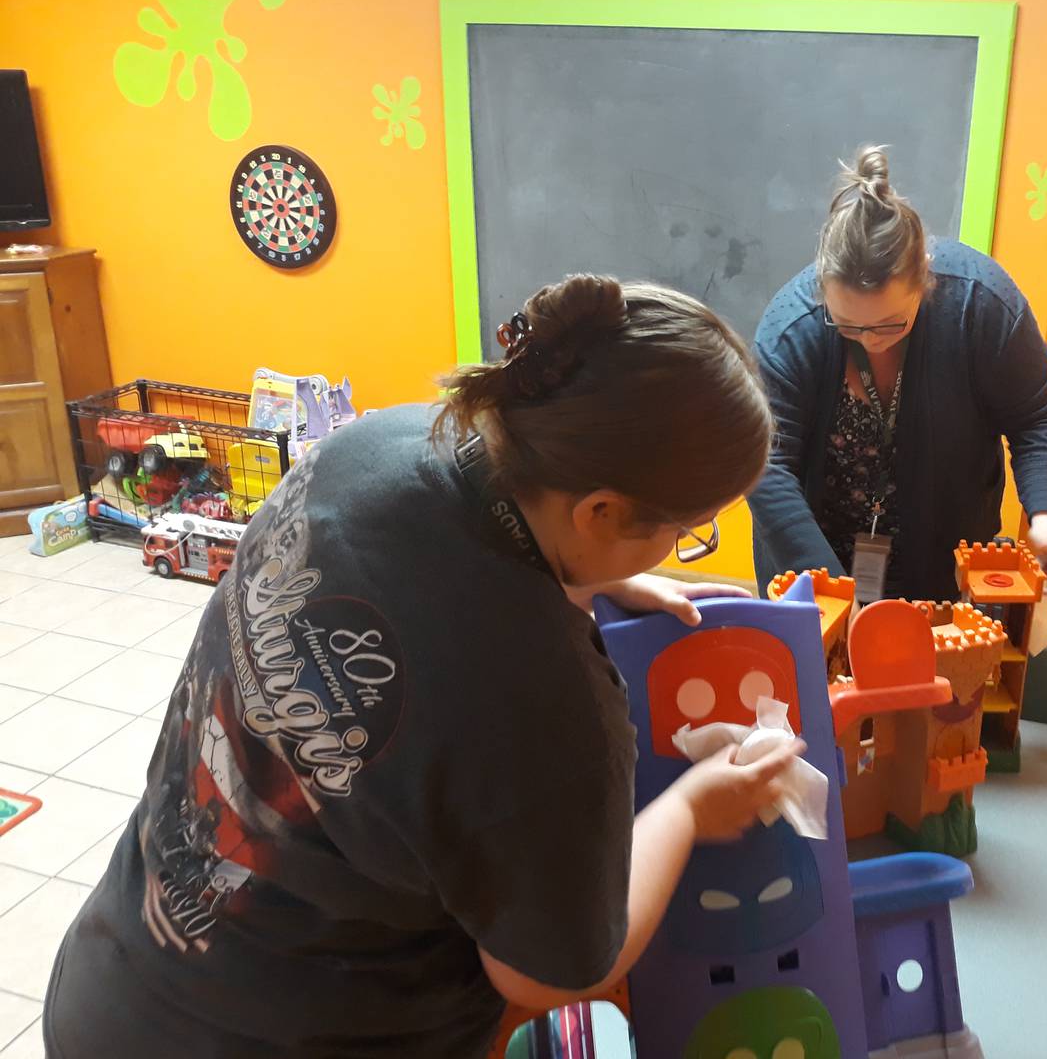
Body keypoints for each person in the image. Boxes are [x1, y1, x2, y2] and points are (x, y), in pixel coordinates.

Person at [44, 275, 802, 1057]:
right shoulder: (549, 704)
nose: (683, 550)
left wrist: (589, 568)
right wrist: (690, 809)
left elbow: (449, 565)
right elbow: (549, 976)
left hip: (116, 984)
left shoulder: (373, 447)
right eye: (688, 531)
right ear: (601, 511)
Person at [750, 145, 1047, 603]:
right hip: (813, 563)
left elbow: (1036, 419)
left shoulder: (978, 304)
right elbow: (766, 465)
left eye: (890, 324)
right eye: (847, 324)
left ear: (925, 279)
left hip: (941, 559)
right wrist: (832, 592)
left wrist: (1046, 520)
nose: (869, 339)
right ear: (823, 288)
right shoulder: (791, 328)